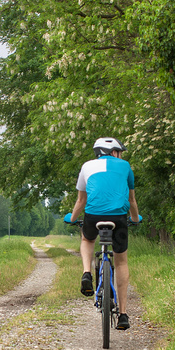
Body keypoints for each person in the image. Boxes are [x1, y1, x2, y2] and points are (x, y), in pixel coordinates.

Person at [67, 137, 140, 331]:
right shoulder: (126, 167)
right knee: (121, 261)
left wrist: (73, 219)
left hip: (93, 215)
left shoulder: (86, 166)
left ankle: (86, 273)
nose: (121, 156)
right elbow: (132, 200)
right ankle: (123, 314)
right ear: (113, 152)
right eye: (119, 152)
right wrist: (135, 219)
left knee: (87, 238)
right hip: (119, 217)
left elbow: (81, 200)